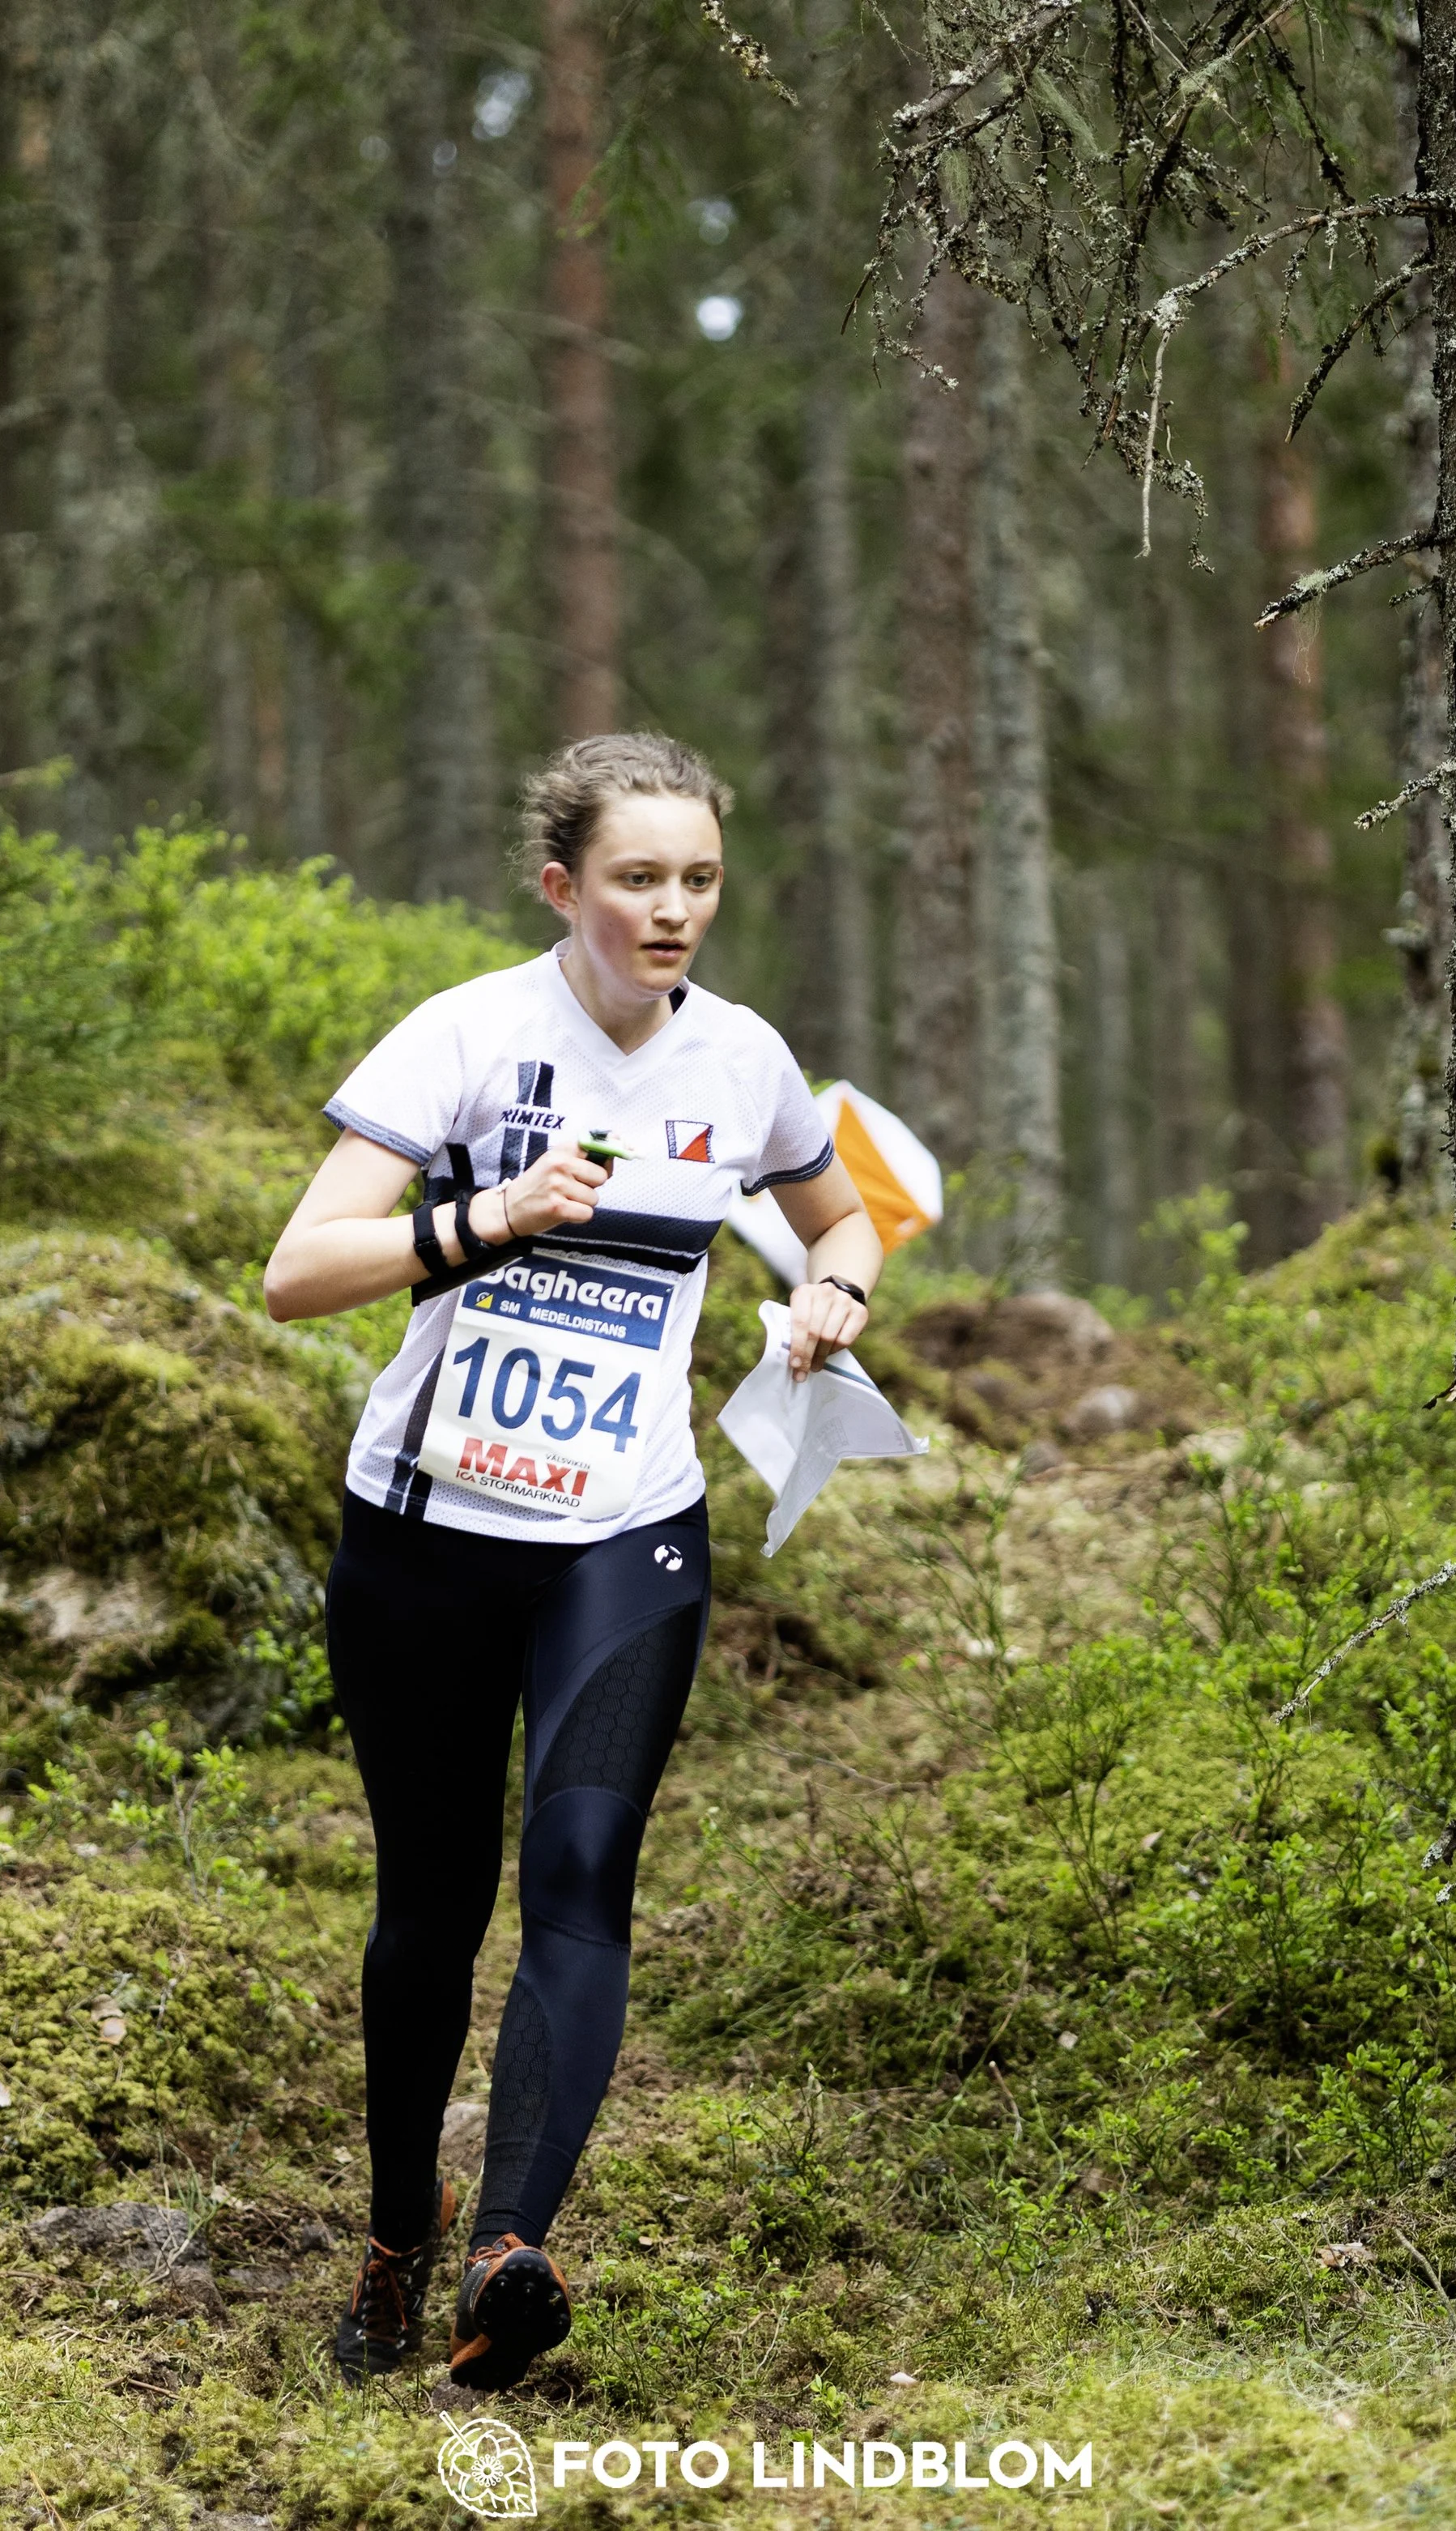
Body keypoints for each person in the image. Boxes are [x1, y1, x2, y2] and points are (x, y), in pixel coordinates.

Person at [262, 731, 883, 2389]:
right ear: (563, 886)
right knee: (431, 1903)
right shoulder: (467, 1033)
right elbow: (295, 1271)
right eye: (636, 879)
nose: (671, 909)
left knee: (583, 1871)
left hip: (626, 1527)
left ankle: (506, 2250)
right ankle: (401, 2228)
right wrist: (483, 1222)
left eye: (696, 880)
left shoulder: (739, 1057)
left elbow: (841, 1211)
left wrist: (836, 1288)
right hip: (424, 1534)